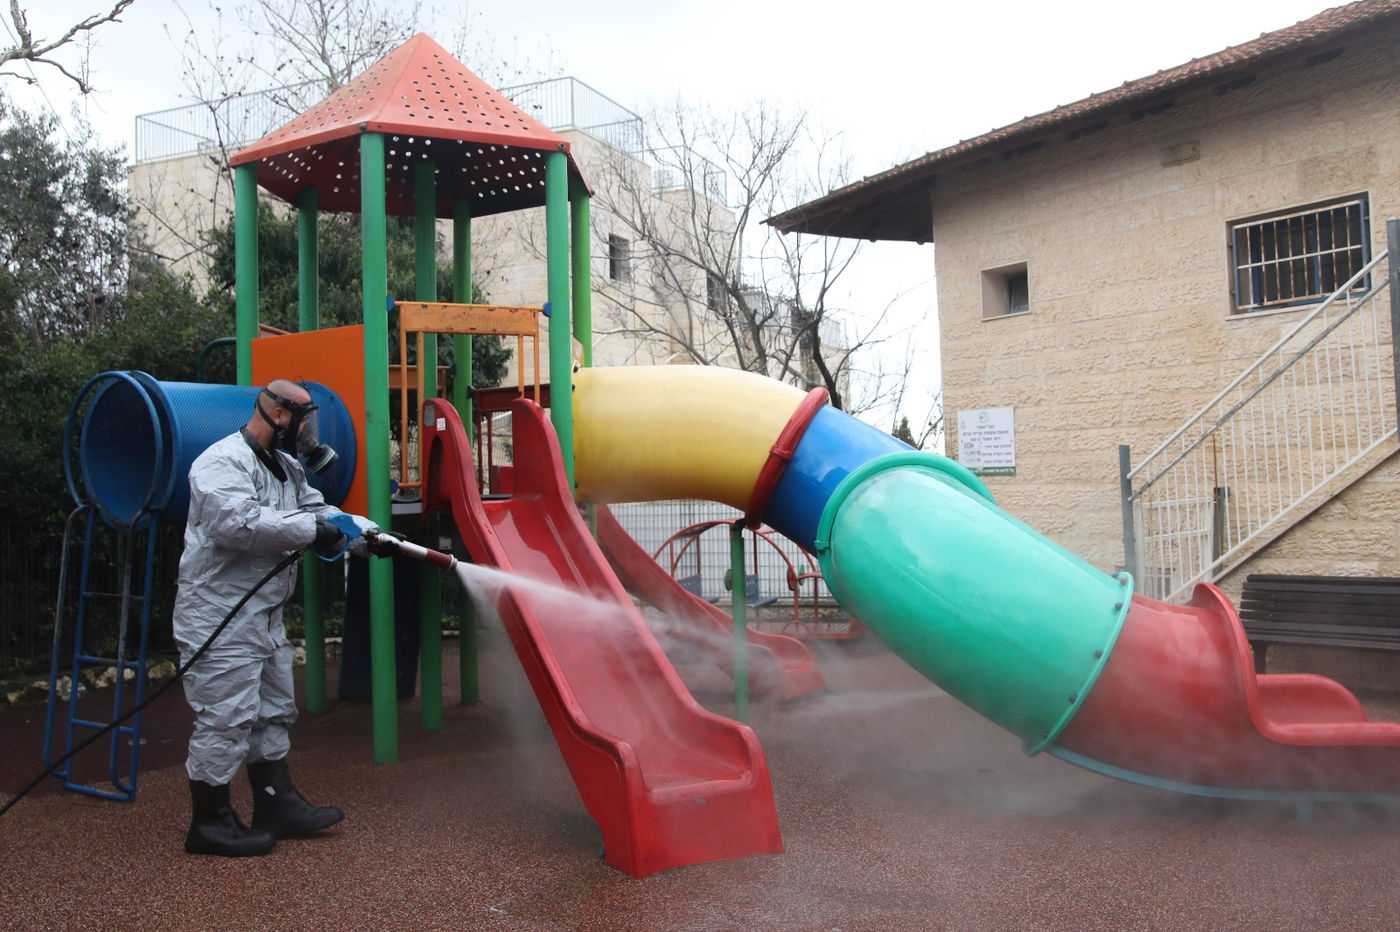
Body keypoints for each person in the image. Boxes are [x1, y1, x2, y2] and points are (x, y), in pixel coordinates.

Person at [173, 378, 385, 857]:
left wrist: (365, 533)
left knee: (272, 711)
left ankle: (276, 804)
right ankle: (210, 822)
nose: (310, 433)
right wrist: (315, 529)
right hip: (219, 614)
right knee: (225, 718)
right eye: (305, 420)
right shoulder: (219, 462)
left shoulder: (288, 468)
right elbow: (239, 523)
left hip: (263, 613)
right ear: (279, 414)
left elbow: (317, 510)